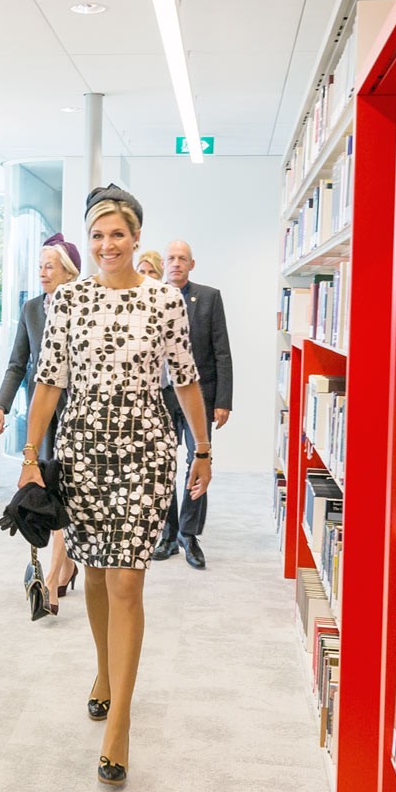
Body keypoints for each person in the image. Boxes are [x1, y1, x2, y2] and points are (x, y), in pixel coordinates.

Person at [20, 184, 211, 786]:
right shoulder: (67, 301)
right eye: (97, 234)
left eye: (118, 234)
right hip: (81, 444)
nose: (108, 244)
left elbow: (184, 379)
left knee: (128, 578)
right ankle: (104, 671)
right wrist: (31, 455)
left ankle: (120, 722)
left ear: (136, 239)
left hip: (145, 444)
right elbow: (48, 380)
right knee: (97, 572)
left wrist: (202, 448)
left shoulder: (165, 301)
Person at [0, 234, 81, 610]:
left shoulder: (83, 307)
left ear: (68, 272)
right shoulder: (31, 310)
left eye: (50, 266)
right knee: (51, 490)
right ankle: (64, 566)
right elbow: (17, 362)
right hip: (44, 417)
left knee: (71, 492)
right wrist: (1, 406)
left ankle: (58, 579)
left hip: (78, 415)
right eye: (40, 266)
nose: (42, 273)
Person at [152, 240, 232, 569]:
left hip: (200, 395)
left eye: (181, 258)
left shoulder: (208, 298)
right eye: (170, 258)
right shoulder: (152, 297)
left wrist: (224, 400)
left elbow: (222, 350)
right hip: (162, 396)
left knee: (198, 461)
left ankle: (190, 533)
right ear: (164, 263)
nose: (175, 263)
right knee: (163, 465)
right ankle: (168, 532)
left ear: (191, 264)